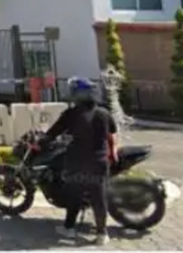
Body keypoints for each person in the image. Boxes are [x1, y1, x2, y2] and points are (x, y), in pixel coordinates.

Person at [44, 76, 118, 246]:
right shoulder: (104, 113)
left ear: (78, 94)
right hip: (99, 162)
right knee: (99, 197)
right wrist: (113, 151)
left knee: (74, 196)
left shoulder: (71, 114)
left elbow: (52, 133)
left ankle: (69, 228)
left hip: (77, 161)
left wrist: (42, 141)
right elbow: (112, 133)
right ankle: (102, 234)